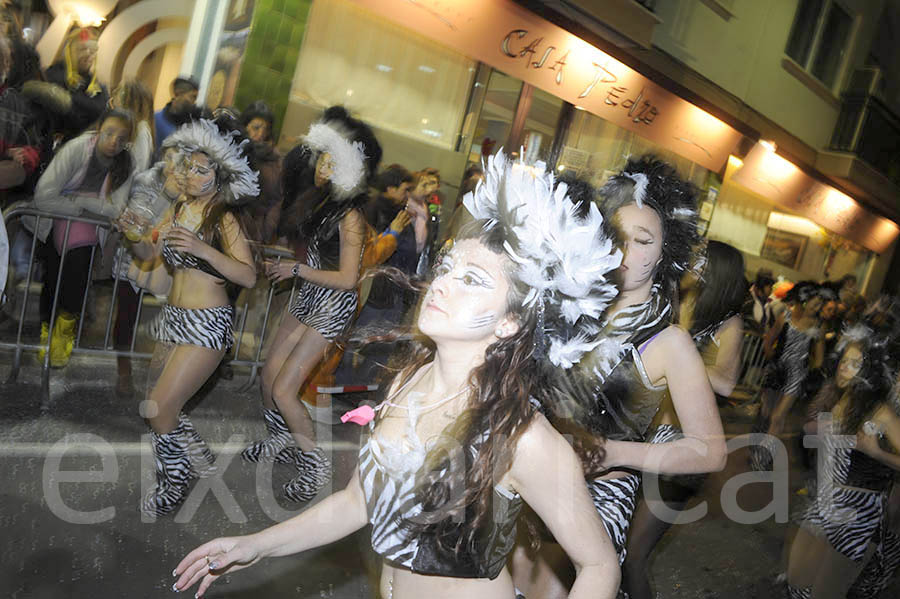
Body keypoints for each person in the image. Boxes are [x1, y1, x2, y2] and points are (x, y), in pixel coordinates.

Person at [173, 150, 623, 599]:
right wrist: (255, 546)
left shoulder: (523, 438)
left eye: (474, 280)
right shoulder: (412, 382)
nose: (443, 283)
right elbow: (358, 502)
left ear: (511, 321)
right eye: (448, 268)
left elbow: (600, 565)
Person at [513, 156, 727, 598]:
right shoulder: (568, 309)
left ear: (664, 254)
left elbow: (710, 453)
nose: (627, 249)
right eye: (618, 235)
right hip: (528, 481)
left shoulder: (670, 342)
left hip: (596, 500)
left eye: (643, 240)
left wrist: (613, 452)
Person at [240, 106, 382, 502]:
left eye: (335, 160)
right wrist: (294, 268)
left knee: (285, 389)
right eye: (324, 156)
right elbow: (317, 260)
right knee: (269, 375)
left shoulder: (351, 215)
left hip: (332, 304)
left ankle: (314, 464)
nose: (324, 165)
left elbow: (349, 278)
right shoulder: (322, 204)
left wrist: (296, 271)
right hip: (308, 295)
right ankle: (280, 440)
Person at [126, 118, 259, 516]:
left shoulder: (224, 219)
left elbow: (248, 276)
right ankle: (193, 453)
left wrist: (204, 248)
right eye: (190, 167)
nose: (190, 175)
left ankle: (176, 478)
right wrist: (134, 234)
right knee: (158, 403)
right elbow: (151, 256)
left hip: (206, 324)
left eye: (202, 170)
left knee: (159, 407)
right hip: (173, 319)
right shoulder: (179, 207)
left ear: (219, 179)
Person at [622, 240, 747, 599]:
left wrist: (680, 358)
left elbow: (725, 382)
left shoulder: (730, 324)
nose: (694, 261)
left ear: (717, 271)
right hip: (649, 439)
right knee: (614, 545)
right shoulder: (682, 302)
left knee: (633, 556)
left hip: (683, 451)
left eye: (703, 259)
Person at [786, 327, 900, 598]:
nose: (844, 368)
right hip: (826, 502)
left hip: (859, 512)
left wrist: (876, 453)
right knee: (796, 578)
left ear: (869, 373)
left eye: (854, 364)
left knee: (827, 591)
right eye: (844, 361)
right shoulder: (840, 399)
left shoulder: (879, 411)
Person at [27, 108, 134, 368]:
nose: (113, 142)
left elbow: (116, 209)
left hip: (85, 230)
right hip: (52, 223)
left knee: (76, 279)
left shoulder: (125, 163)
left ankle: (63, 335)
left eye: (121, 139)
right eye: (109, 134)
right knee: (52, 279)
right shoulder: (76, 149)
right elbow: (44, 196)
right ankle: (46, 334)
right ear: (99, 130)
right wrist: (82, 206)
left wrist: (79, 201)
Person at [111, 144, 182, 397]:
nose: (176, 164)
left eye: (182, 159)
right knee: (126, 317)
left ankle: (160, 378)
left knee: (174, 318)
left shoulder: (192, 186)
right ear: (164, 156)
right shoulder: (146, 179)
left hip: (169, 264)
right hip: (133, 259)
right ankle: (124, 371)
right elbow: (137, 223)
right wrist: (166, 196)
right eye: (172, 156)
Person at [751, 281, 832, 471]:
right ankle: (757, 445)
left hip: (796, 375)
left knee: (778, 417)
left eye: (820, 304)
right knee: (765, 413)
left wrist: (804, 366)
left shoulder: (819, 326)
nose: (817, 307)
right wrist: (772, 358)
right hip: (776, 370)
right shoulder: (785, 316)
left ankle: (761, 459)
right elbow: (768, 341)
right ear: (804, 300)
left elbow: (819, 359)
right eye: (815, 302)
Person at [43, 26, 109, 144]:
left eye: (93, 50)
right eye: (82, 49)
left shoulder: (97, 86)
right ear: (70, 51)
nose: (89, 54)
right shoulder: (52, 76)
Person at [109, 79, 155, 172]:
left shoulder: (141, 130)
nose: (114, 93)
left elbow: (137, 170)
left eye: (119, 91)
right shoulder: (122, 123)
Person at [154, 76, 200, 151]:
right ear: (178, 93)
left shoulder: (191, 127)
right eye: (193, 97)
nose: (194, 102)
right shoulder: (155, 119)